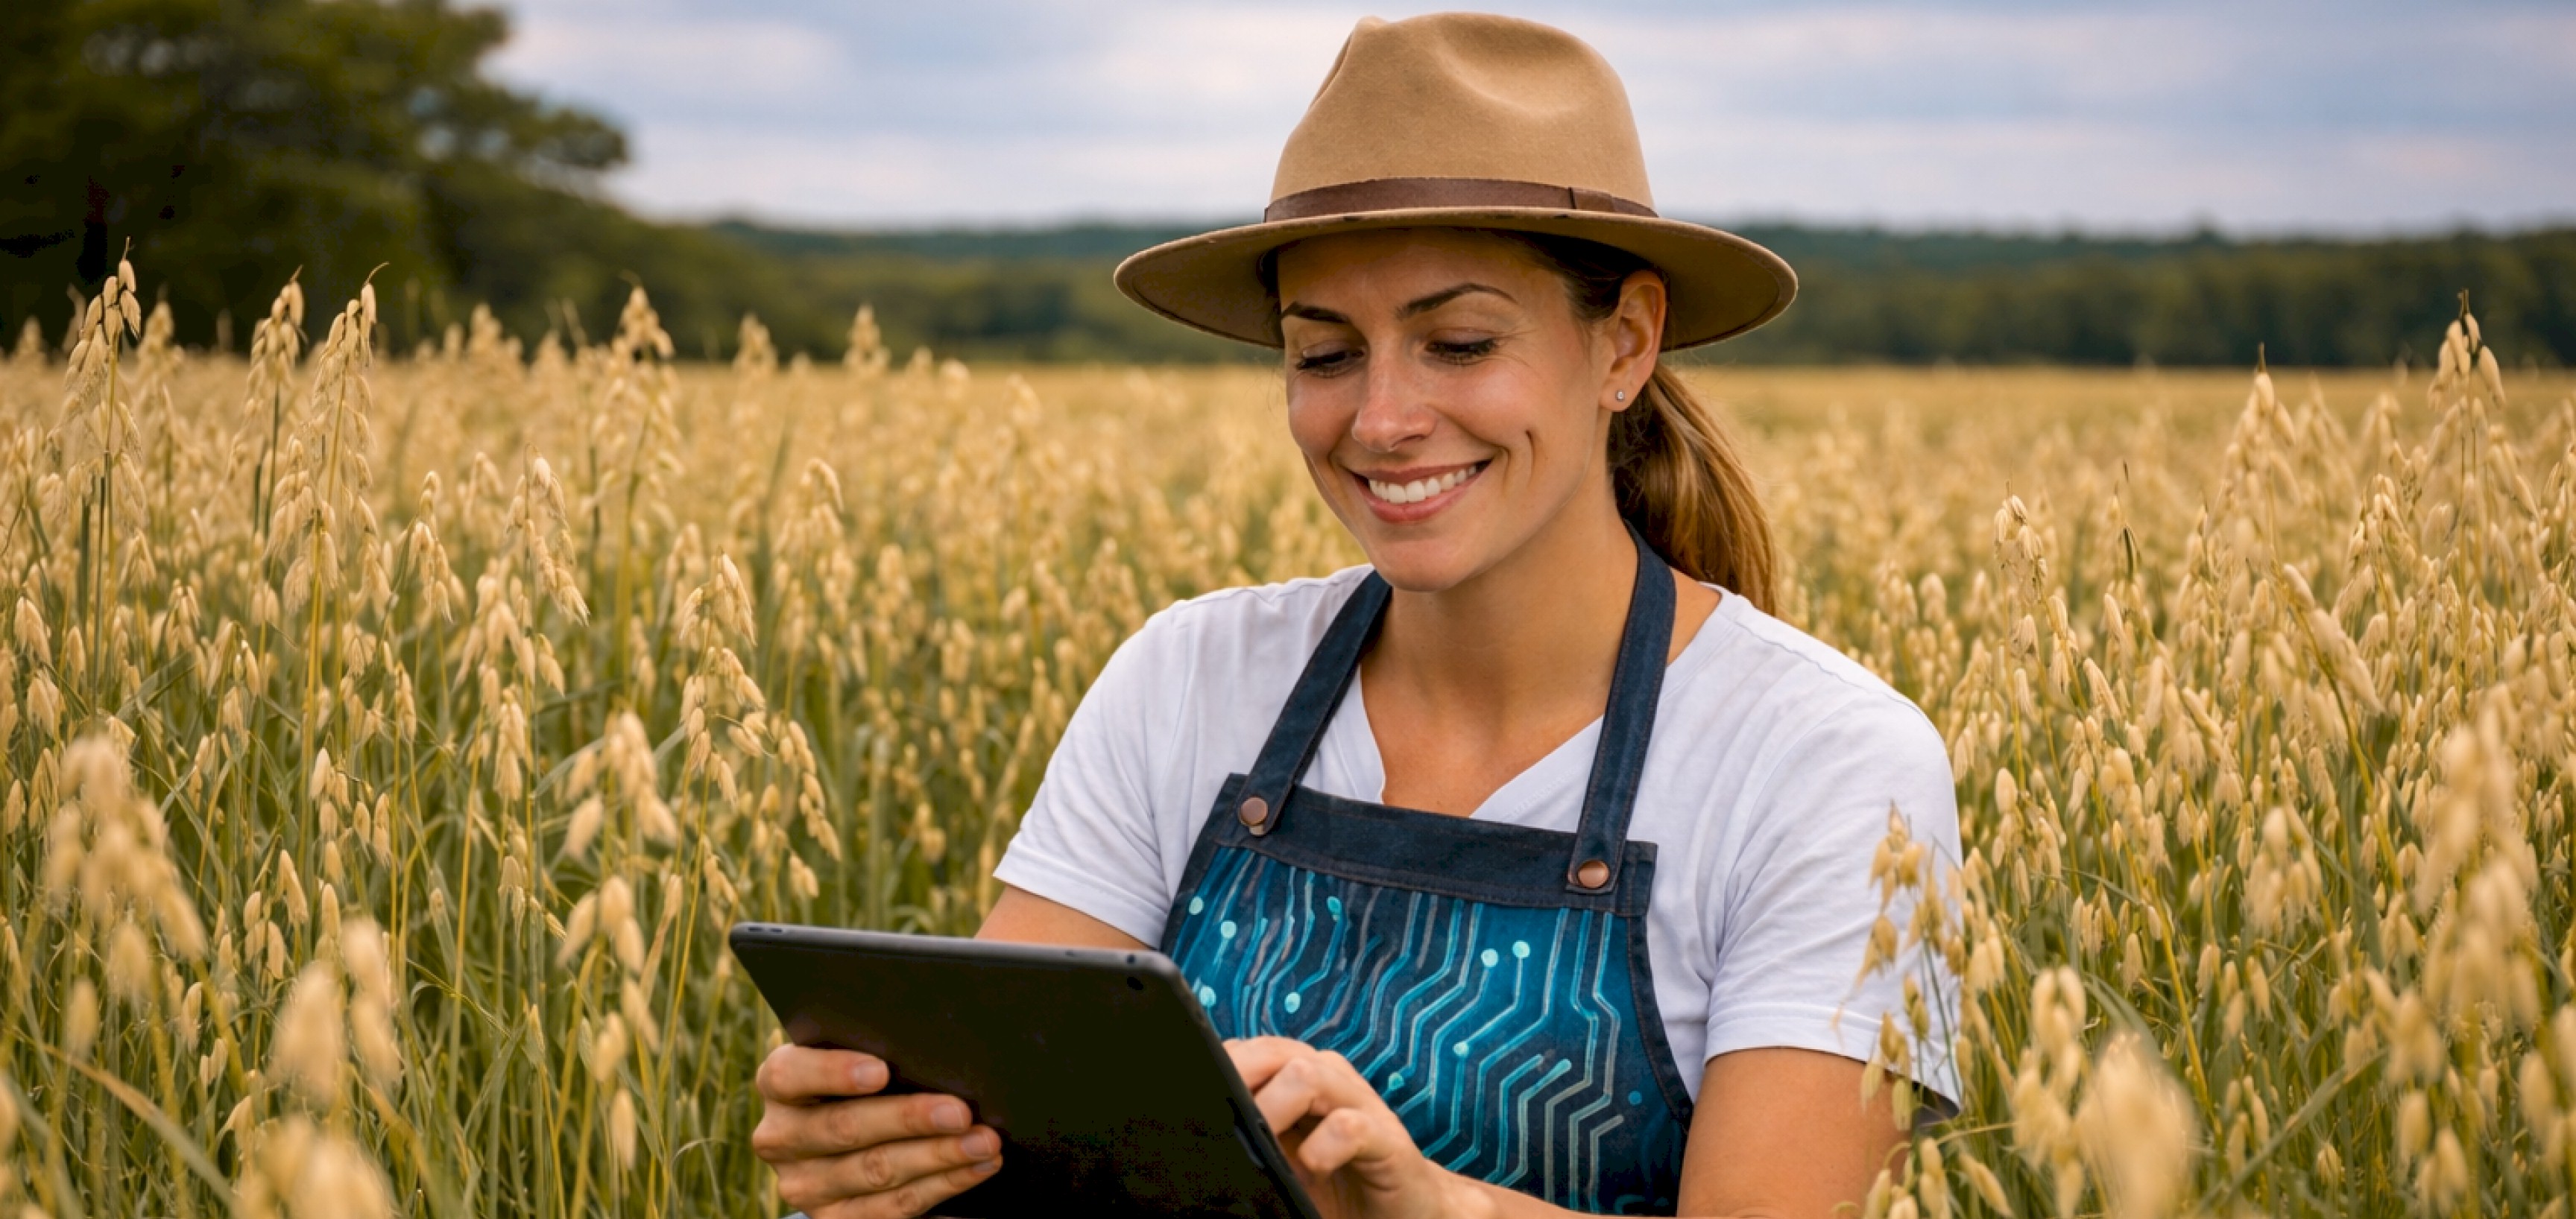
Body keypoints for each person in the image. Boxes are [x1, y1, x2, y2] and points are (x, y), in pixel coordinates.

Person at [754, 13, 1961, 1218]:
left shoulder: (1825, 762)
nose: (1382, 420)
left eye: (1460, 342)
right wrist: (884, 1136)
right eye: (1324, 357)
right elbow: (1004, 1115)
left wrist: (1437, 1210)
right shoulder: (1190, 675)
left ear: (1626, 345)